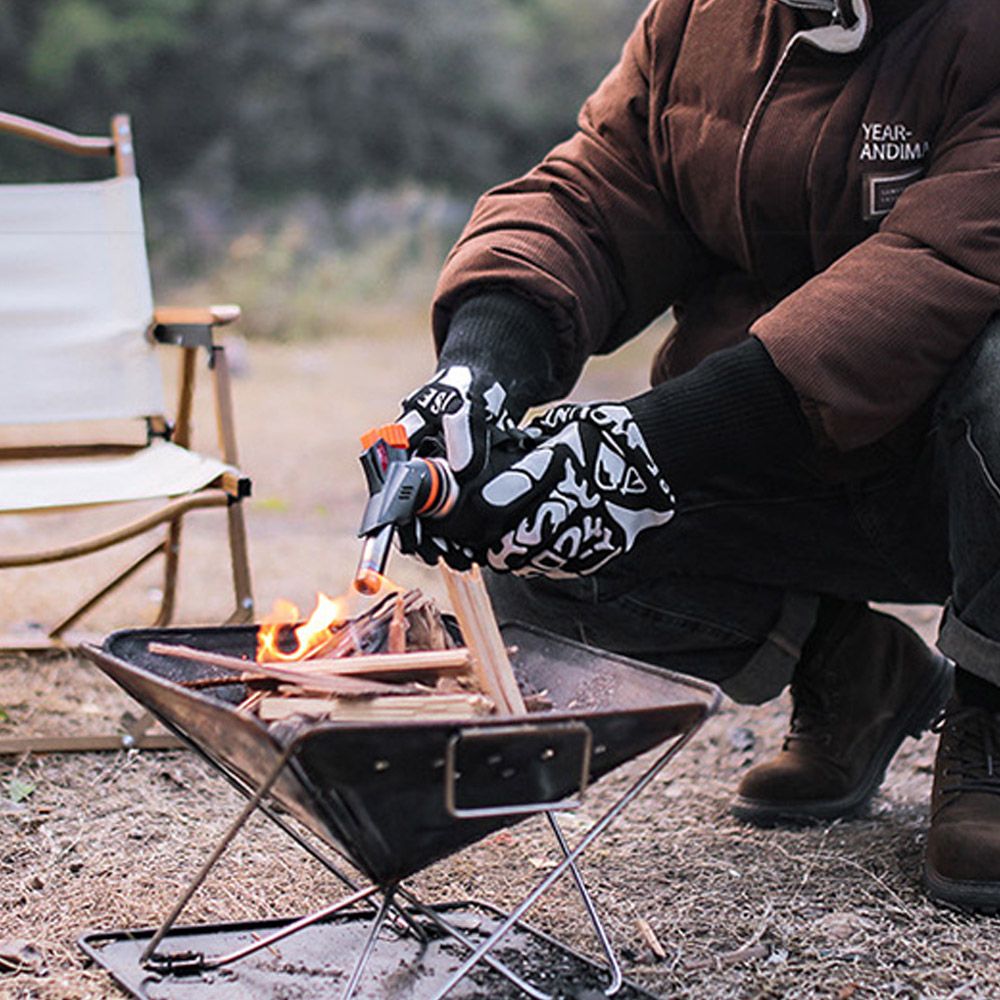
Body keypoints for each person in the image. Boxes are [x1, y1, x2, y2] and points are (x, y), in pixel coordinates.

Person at [387, 0, 1000, 912]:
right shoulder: (699, 20)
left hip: (953, 469)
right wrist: (481, 365)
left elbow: (935, 266)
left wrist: (648, 447)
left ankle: (992, 712)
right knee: (530, 538)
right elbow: (596, 194)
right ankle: (849, 667)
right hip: (779, 451)